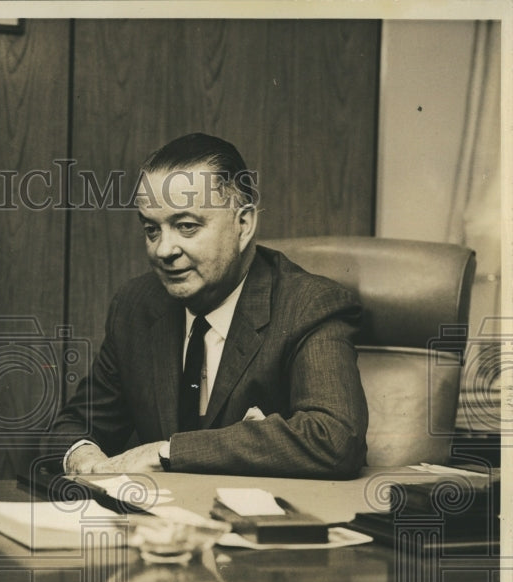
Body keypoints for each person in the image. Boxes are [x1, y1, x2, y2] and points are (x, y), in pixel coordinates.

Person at [53, 132, 368, 478]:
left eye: (186, 226)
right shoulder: (136, 306)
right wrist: (85, 457)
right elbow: (74, 425)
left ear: (243, 224)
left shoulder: (307, 305)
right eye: (151, 230)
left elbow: (335, 438)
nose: (163, 250)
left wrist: (166, 453)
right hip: (161, 526)